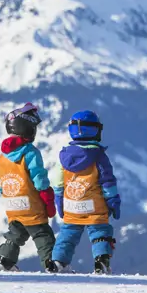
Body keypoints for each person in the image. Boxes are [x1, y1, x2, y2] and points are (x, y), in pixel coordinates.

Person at [49, 110, 121, 275]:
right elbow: (107, 182)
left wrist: (60, 201)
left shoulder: (64, 157)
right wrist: (113, 201)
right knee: (100, 232)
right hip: (94, 207)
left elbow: (58, 183)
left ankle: (59, 262)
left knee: (67, 234)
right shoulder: (99, 156)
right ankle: (101, 261)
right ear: (97, 130)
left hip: (71, 205)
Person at [0, 103, 58, 272]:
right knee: (43, 235)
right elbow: (39, 180)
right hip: (31, 206)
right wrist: (48, 198)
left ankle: (5, 260)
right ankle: (51, 264)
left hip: (13, 205)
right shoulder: (30, 152)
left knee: (16, 234)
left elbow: (3, 182)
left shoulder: (2, 157)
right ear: (26, 128)